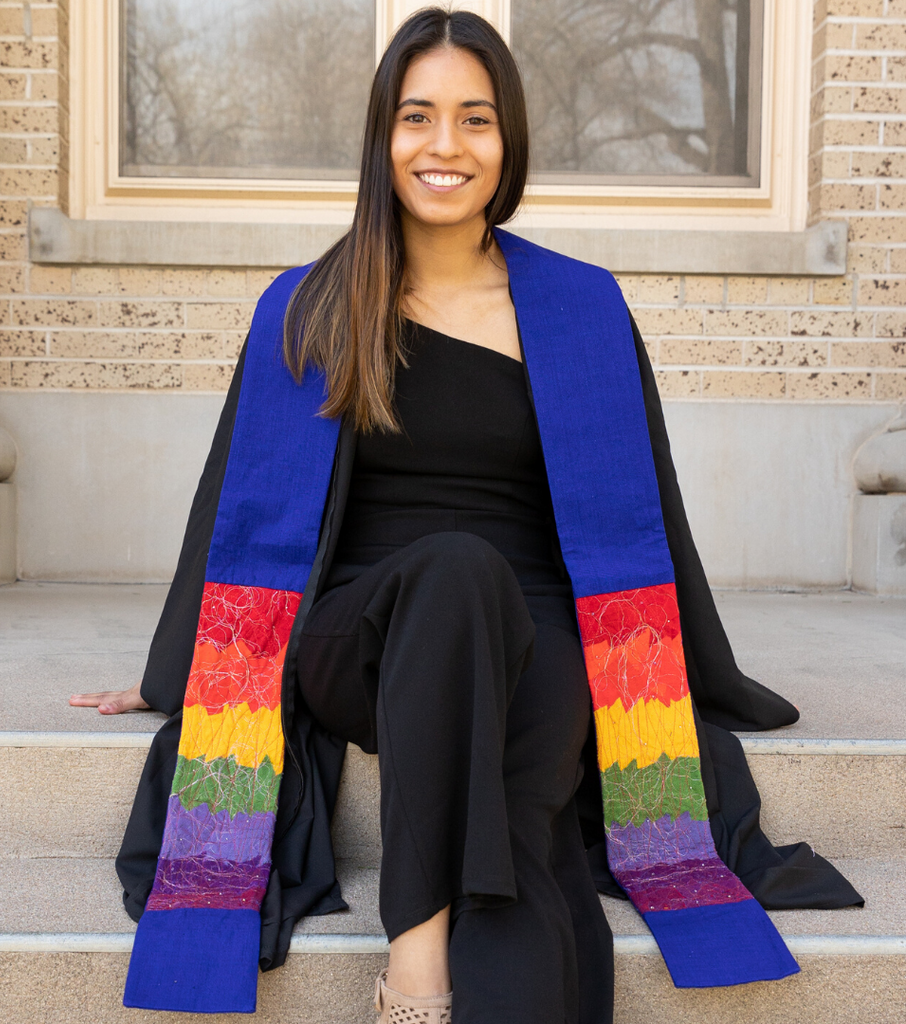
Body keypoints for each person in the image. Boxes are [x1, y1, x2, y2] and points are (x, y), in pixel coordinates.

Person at [71, 9, 861, 1023]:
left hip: (533, 634)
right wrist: (170, 673)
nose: (444, 145)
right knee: (455, 568)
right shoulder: (311, 307)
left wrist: (695, 672)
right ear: (382, 135)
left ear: (507, 138)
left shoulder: (580, 308)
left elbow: (647, 512)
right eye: (418, 116)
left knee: (525, 820)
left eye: (474, 118)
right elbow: (235, 506)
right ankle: (416, 970)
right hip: (362, 633)